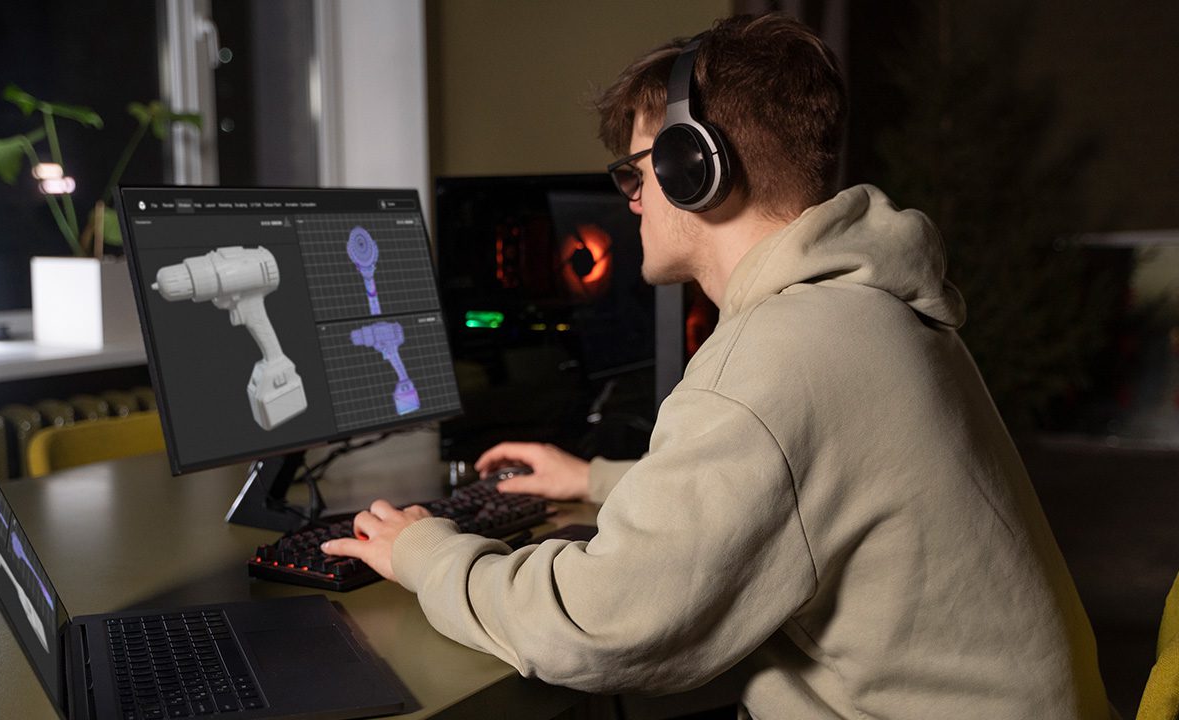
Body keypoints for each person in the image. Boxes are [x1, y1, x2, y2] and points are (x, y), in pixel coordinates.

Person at [322, 13, 1114, 719]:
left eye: (636, 173)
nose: (630, 201)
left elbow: (591, 630)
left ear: (691, 167)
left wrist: (424, 553)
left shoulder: (774, 360)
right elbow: (798, 490)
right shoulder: (864, 310)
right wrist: (592, 479)